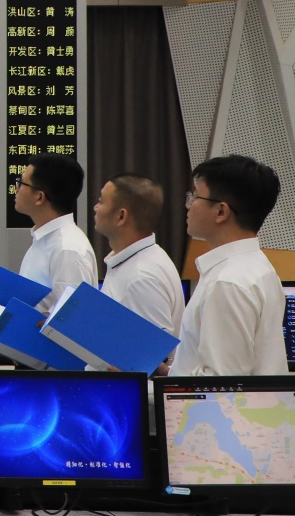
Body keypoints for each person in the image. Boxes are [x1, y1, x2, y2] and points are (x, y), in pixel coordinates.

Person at [173, 155, 288, 377]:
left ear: (221, 212)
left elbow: (223, 384)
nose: (188, 205)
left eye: (195, 196)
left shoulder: (227, 283)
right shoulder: (257, 266)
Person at [91, 173, 182, 338]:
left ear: (121, 216)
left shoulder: (141, 278)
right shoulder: (138, 261)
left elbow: (153, 350)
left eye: (101, 202)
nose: (95, 207)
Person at [13, 152, 96, 311]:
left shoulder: (68, 249)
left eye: (21, 183)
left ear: (39, 197)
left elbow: (70, 317)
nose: (16, 189)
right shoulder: (44, 240)